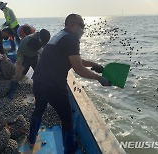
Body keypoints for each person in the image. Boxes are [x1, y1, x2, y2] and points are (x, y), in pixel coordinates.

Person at [28, 14, 111, 153]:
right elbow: (78, 68)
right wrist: (99, 78)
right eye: (82, 26)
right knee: (67, 119)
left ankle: (31, 139)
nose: (83, 30)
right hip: (54, 85)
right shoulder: (71, 38)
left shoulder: (60, 36)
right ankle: (69, 149)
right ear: (72, 24)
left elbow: (73, 58)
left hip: (39, 80)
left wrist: (93, 64)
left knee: (39, 109)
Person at [8, 29, 50, 100]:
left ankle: (43, 88)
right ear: (40, 38)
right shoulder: (32, 41)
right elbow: (43, 54)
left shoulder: (39, 36)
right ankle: (12, 91)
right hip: (23, 55)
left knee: (39, 72)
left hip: (33, 55)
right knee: (19, 75)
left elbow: (44, 49)